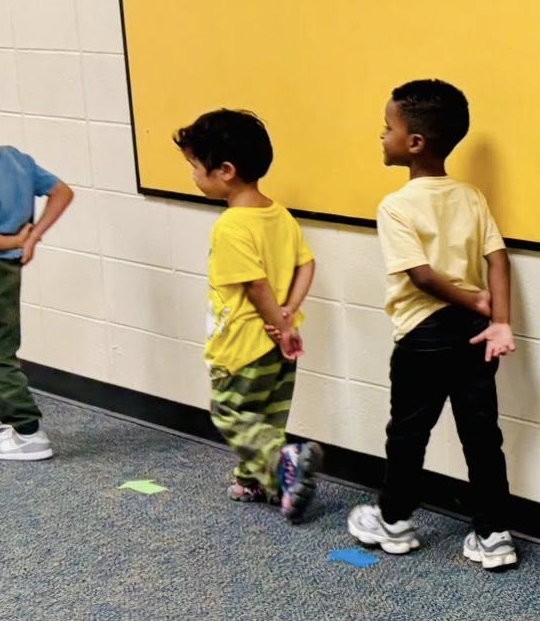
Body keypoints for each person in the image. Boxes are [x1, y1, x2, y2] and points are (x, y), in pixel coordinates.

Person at [347, 79, 519, 569]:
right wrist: (497, 318)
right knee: (483, 435)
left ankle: (395, 521)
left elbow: (420, 276)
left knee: (407, 432)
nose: (382, 136)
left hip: (423, 336)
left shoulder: (395, 205)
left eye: (388, 128)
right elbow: (498, 259)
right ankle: (494, 534)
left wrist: (477, 303)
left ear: (415, 143)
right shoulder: (470, 195)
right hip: (473, 333)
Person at [173, 108, 323, 518]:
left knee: (231, 412)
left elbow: (256, 286)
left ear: (225, 170)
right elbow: (306, 265)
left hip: (244, 342)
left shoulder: (232, 226)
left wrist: (278, 322)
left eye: (194, 166)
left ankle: (281, 464)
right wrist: (289, 314)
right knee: (266, 416)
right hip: (278, 342)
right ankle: (255, 481)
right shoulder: (279, 214)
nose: (191, 175)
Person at [0, 81, 73, 461]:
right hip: (6, 271)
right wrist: (32, 237)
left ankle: (28, 430)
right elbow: (62, 192)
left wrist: (18, 241)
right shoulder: (16, 159)